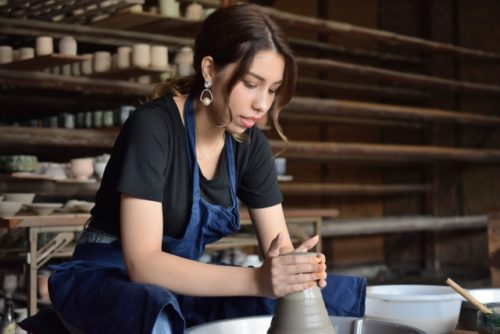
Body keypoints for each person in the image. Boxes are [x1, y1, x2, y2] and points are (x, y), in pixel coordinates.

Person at [46, 4, 366, 334]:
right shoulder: (153, 127)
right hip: (108, 275)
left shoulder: (249, 143)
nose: (262, 104)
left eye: (272, 89)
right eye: (251, 83)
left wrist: (296, 269)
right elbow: (143, 264)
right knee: (155, 310)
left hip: (182, 278)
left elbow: (279, 248)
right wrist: (258, 278)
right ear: (210, 69)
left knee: (328, 297)